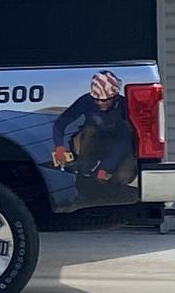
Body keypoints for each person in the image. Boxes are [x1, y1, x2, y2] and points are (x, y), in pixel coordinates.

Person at [52, 70, 138, 199]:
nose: (100, 103)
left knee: (122, 177)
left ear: (114, 97)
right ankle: (84, 168)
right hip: (95, 142)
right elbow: (60, 124)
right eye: (96, 100)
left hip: (121, 145)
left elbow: (124, 141)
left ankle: (110, 189)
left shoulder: (125, 106)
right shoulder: (86, 101)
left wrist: (105, 168)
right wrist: (59, 146)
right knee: (89, 130)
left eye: (104, 100)